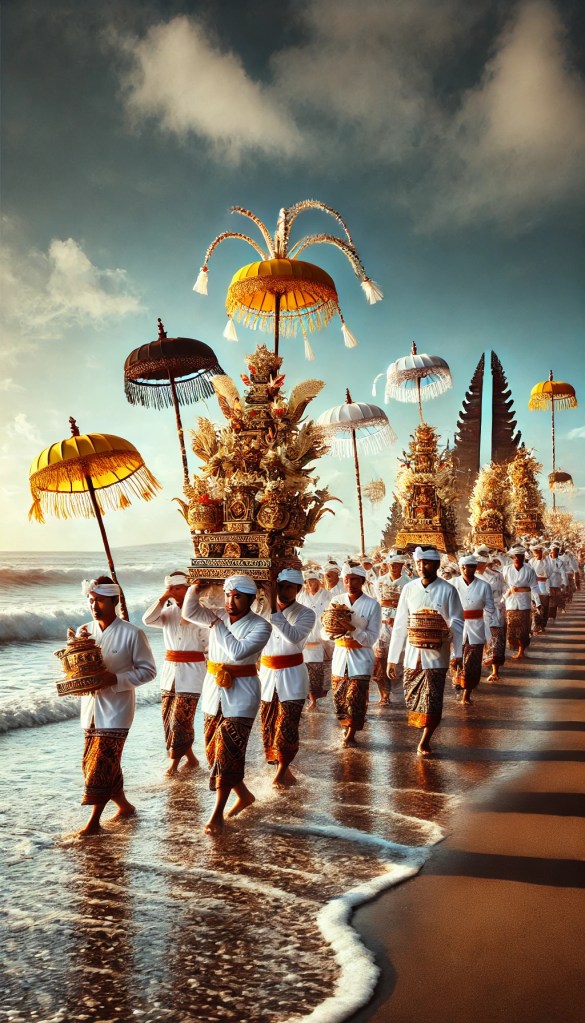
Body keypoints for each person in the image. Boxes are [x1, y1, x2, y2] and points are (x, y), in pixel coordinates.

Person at [183, 574, 272, 834]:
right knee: (214, 753)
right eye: (228, 596)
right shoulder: (219, 616)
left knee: (227, 752)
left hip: (243, 694)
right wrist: (195, 588)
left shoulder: (261, 626)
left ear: (251, 599)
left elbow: (237, 652)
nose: (230, 602)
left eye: (237, 597)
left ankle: (217, 814)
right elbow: (189, 611)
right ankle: (244, 795)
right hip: (213, 691)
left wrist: (215, 623)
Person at [76, 577, 156, 836]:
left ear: (114, 601)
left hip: (117, 709)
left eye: (100, 600)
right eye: (91, 600)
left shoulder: (133, 633)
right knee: (97, 763)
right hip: (90, 708)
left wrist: (116, 679)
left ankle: (93, 823)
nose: (94, 605)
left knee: (101, 764)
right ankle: (124, 806)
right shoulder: (83, 631)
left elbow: (149, 671)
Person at [387, 547, 464, 756]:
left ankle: (425, 740)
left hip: (437, 655)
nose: (421, 567)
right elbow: (400, 624)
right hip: (413, 655)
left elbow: (457, 623)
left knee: (432, 699)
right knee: (412, 698)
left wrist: (457, 654)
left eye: (426, 563)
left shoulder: (448, 590)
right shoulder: (409, 588)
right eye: (418, 563)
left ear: (437, 565)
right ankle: (424, 729)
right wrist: (392, 659)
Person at [142, 570, 207, 775]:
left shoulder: (200, 612)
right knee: (169, 719)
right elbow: (147, 620)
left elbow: (208, 644)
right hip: (170, 672)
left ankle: (173, 764)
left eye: (176, 588)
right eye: (169, 588)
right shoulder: (167, 612)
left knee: (181, 720)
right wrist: (163, 598)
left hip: (193, 673)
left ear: (187, 589)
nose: (171, 592)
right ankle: (192, 760)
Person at [258, 569, 315, 787]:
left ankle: (281, 771)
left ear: (298, 589)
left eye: (289, 587)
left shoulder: (306, 613)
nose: (283, 590)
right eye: (280, 586)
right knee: (269, 726)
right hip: (267, 676)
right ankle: (284, 769)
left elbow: (293, 638)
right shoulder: (260, 610)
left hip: (293, 676)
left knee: (287, 726)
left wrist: (273, 607)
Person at [321, 563, 381, 747]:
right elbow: (324, 629)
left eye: (354, 579)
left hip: (361, 657)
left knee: (355, 698)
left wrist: (352, 629)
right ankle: (346, 727)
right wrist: (331, 633)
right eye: (347, 579)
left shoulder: (372, 605)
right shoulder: (336, 600)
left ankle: (351, 734)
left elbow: (371, 638)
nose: (350, 583)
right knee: (340, 698)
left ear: (362, 581)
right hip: (340, 656)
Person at [450, 555, 495, 704]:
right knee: (456, 659)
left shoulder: (484, 586)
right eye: (463, 567)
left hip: (477, 625)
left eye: (469, 567)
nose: (465, 570)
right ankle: (458, 684)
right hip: (456, 626)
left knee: (473, 661)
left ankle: (467, 694)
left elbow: (490, 609)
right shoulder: (452, 583)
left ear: (475, 568)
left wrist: (488, 630)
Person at [372, 553, 410, 705]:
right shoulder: (380, 581)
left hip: (400, 624)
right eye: (391, 564)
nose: (393, 567)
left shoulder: (408, 583)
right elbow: (378, 601)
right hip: (382, 624)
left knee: (399, 658)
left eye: (397, 564)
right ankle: (384, 694)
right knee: (380, 658)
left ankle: (399, 691)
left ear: (402, 566)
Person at [297, 569, 331, 710]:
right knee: (305, 672)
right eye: (307, 582)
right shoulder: (300, 597)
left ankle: (315, 698)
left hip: (320, 640)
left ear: (318, 582)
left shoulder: (327, 596)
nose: (309, 584)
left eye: (312, 581)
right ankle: (310, 699)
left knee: (318, 672)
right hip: (305, 640)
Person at [502, 546, 541, 659]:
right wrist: (503, 598)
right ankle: (515, 646)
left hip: (524, 603)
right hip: (510, 602)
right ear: (512, 557)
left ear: (523, 557)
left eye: (520, 556)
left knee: (523, 629)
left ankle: (521, 650)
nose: (517, 558)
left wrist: (537, 602)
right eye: (515, 556)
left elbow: (534, 587)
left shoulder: (529, 570)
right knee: (511, 628)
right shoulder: (506, 569)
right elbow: (503, 585)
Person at [482, 555, 507, 681]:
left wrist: (502, 603)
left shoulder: (498, 575)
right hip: (478, 613)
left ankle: (495, 671)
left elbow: (505, 590)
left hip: (496, 611)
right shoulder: (472, 577)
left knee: (495, 640)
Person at [528, 542, 552, 633]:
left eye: (538, 552)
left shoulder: (546, 561)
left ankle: (542, 624)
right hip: (534, 585)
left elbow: (549, 573)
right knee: (535, 606)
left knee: (544, 606)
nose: (536, 554)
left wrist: (543, 560)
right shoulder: (531, 561)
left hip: (544, 585)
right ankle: (537, 625)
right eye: (535, 553)